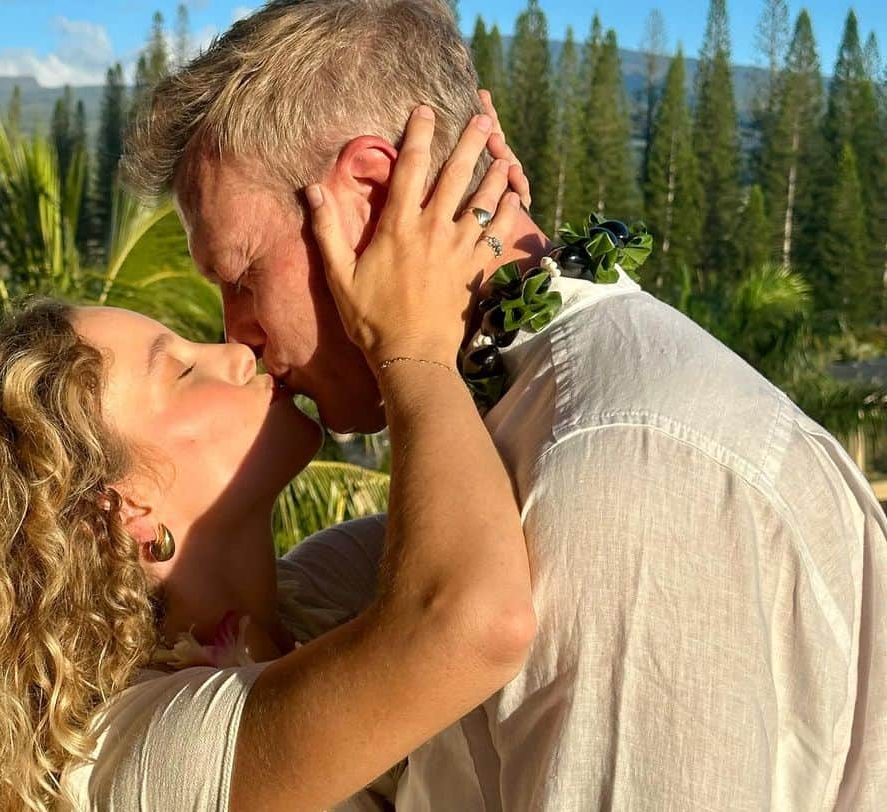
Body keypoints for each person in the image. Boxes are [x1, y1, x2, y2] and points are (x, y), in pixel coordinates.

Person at [121, 0, 887, 807]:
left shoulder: (620, 469)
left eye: (243, 277)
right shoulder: (504, 447)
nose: (236, 336)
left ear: (372, 191)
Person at [0, 110, 534, 810]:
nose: (235, 351)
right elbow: (473, 619)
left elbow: (484, 513)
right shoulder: (138, 757)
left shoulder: (315, 598)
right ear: (119, 510)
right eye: (180, 371)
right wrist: (408, 341)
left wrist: (495, 261)